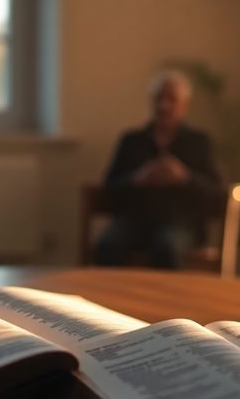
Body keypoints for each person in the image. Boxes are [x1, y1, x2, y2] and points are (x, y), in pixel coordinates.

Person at [94, 70, 224, 269]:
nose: (164, 106)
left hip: (180, 223)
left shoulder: (199, 143)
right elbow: (108, 187)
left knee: (167, 247)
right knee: (107, 245)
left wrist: (184, 177)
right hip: (134, 220)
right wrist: (137, 179)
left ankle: (163, 299)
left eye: (171, 99)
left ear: (184, 105)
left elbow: (217, 192)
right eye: (158, 99)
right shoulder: (131, 141)